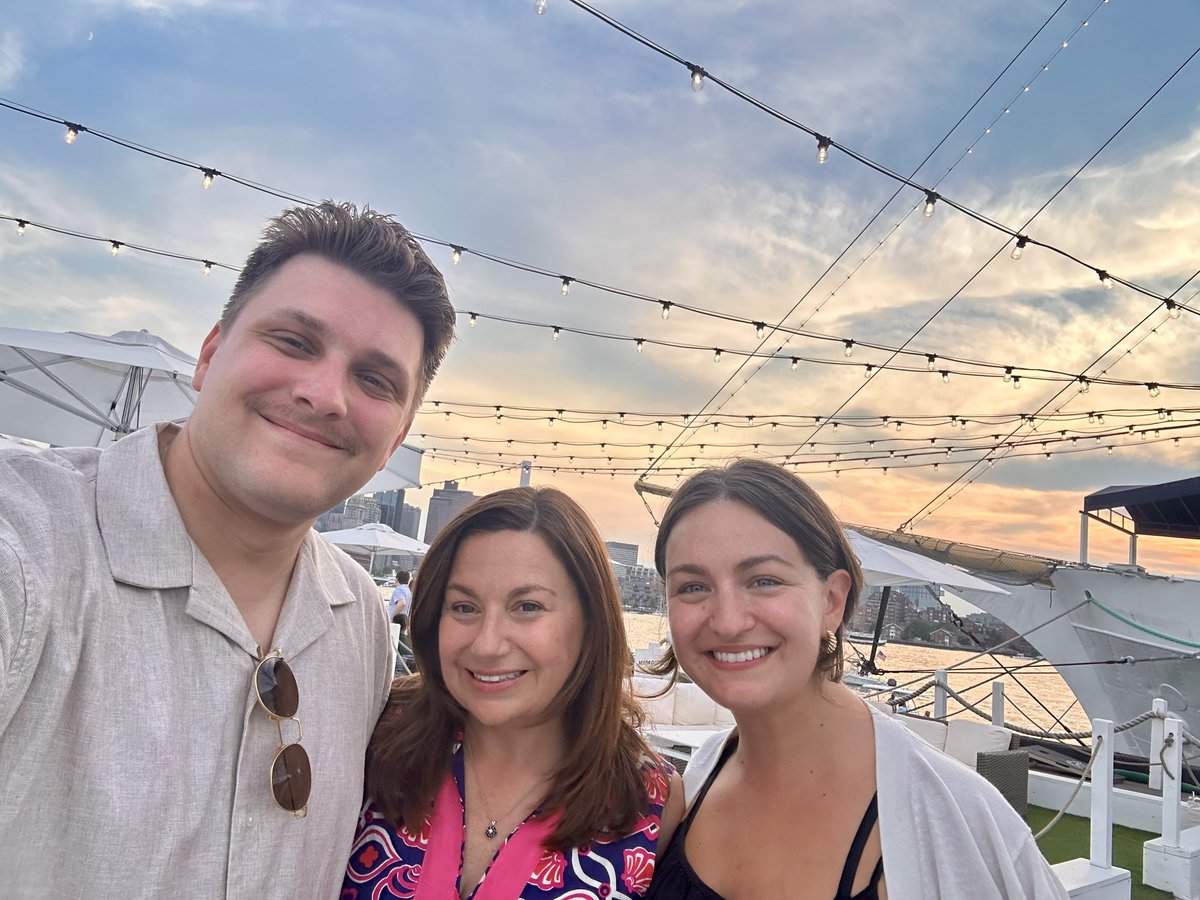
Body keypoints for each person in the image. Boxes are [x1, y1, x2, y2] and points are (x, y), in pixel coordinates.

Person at [0, 201, 456, 899]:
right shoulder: (30, 544)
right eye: (295, 341)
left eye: (375, 380)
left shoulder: (360, 617)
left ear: (395, 438)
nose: (325, 395)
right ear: (210, 356)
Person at [644, 459, 1068, 900]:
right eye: (693, 586)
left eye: (764, 581)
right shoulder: (694, 782)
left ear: (831, 600)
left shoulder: (962, 821)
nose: (728, 621)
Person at [343, 486, 685, 899]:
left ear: (591, 623)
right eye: (464, 607)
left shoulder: (649, 801)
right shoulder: (376, 737)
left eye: (527, 607)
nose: (487, 645)